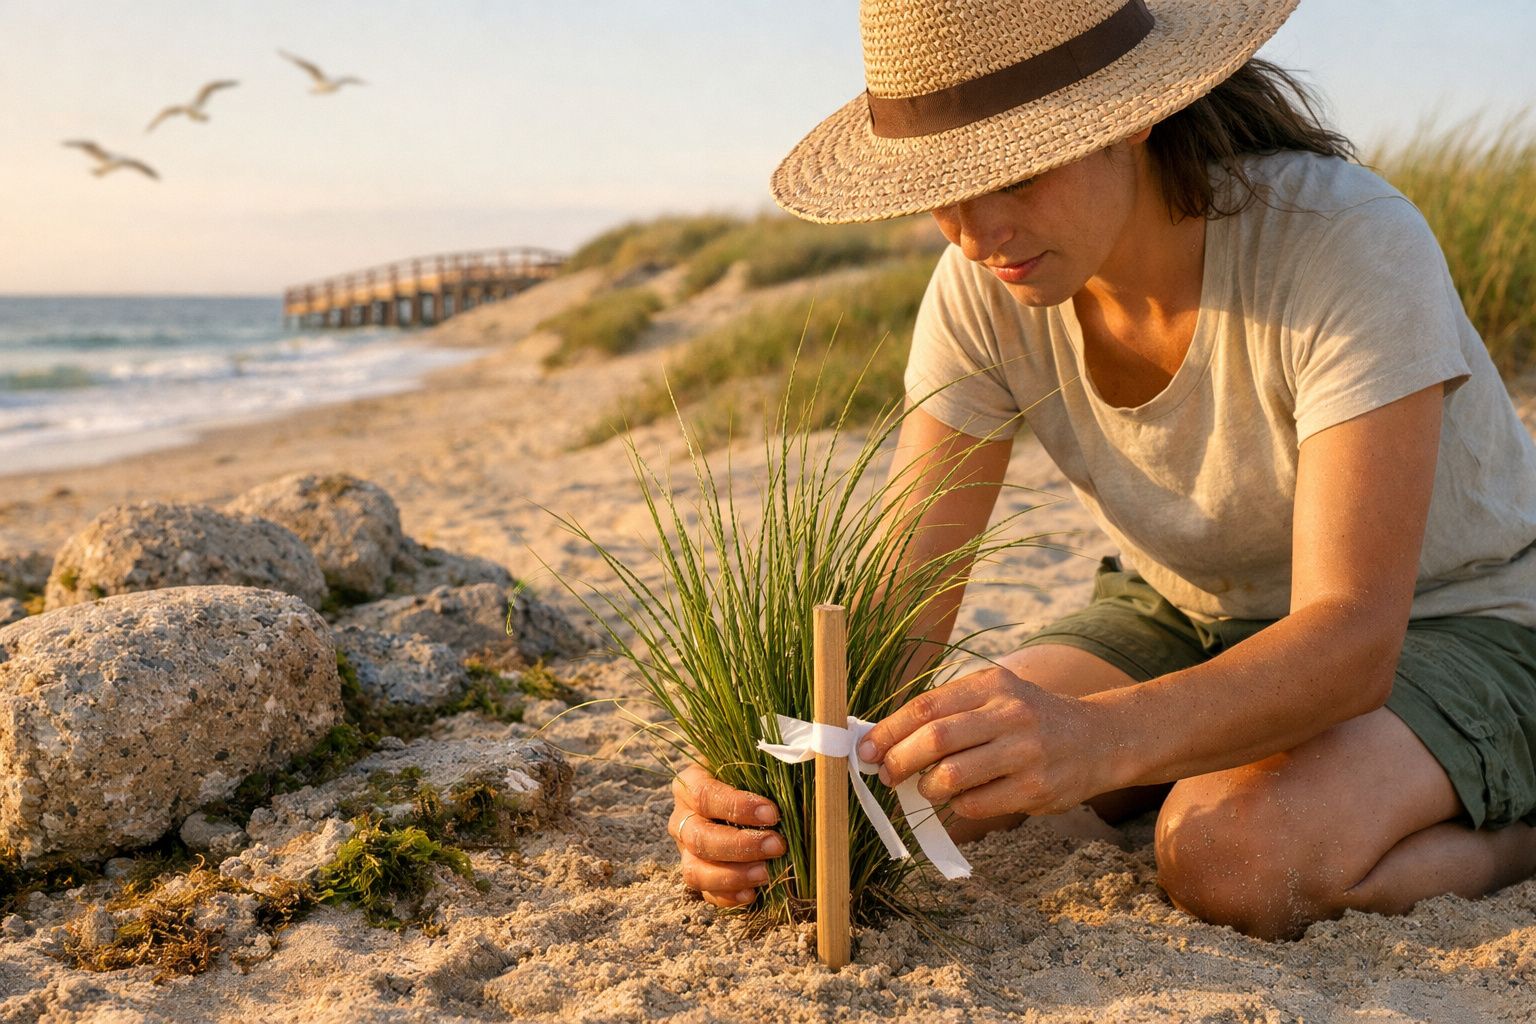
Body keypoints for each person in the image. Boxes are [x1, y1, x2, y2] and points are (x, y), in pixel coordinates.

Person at [668, 0, 1536, 940]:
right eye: (941, 186)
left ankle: (1515, 829)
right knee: (921, 783)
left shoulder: (1345, 242)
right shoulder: (985, 287)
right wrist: (772, 775)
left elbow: (1353, 639)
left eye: (1022, 171)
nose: (974, 230)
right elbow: (899, 606)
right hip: (1184, 612)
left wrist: (1103, 740)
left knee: (1233, 857)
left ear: (1133, 113)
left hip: (1459, 617)